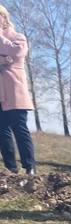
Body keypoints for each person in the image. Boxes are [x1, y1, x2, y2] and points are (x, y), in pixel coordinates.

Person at [0, 4, 35, 175]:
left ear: (4, 18)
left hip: (15, 90)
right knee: (2, 130)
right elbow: (7, 56)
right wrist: (3, 59)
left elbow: (17, 51)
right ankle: (10, 169)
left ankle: (29, 167)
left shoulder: (18, 37)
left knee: (19, 128)